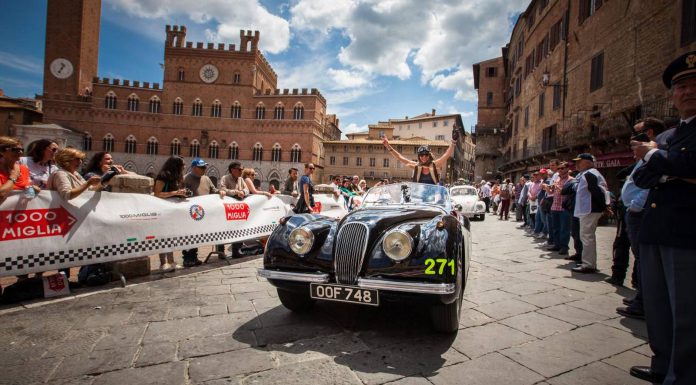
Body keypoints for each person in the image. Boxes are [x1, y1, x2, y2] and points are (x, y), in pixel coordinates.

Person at [628, 52, 696, 385]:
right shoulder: (672, 136)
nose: (688, 91)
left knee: (686, 312)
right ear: (672, 94)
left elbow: (687, 167)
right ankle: (662, 364)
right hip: (656, 230)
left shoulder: (663, 143)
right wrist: (667, 166)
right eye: (681, 86)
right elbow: (641, 178)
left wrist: (656, 157)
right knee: (658, 306)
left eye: (695, 84)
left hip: (686, 232)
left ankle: (681, 376)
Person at [570, 153, 610, 274]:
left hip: (589, 209)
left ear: (588, 162)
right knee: (587, 237)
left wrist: (604, 206)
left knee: (586, 237)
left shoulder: (589, 174)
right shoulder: (592, 174)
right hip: (589, 209)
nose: (577, 165)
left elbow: (596, 191)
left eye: (579, 161)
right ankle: (588, 262)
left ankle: (588, 264)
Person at [181, 158, 225, 267]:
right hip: (190, 213)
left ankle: (194, 257)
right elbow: (181, 194)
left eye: (204, 167)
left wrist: (220, 192)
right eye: (202, 167)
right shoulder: (185, 179)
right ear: (194, 168)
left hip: (203, 213)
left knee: (196, 236)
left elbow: (213, 190)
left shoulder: (206, 179)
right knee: (189, 236)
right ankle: (187, 259)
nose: (204, 169)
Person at [153, 156, 188, 271]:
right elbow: (157, 194)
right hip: (162, 209)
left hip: (172, 210)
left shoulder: (176, 177)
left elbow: (172, 193)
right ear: (176, 165)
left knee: (171, 236)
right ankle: (163, 263)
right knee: (163, 236)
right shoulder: (163, 175)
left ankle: (172, 261)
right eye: (182, 164)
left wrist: (181, 194)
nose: (184, 166)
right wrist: (176, 192)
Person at [382, 136, 456, 185]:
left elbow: (446, 155)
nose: (424, 157)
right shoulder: (416, 165)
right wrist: (388, 146)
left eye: (426, 155)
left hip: (433, 197)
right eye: (421, 155)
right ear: (419, 156)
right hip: (418, 197)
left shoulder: (434, 165)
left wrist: (453, 142)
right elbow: (400, 157)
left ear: (429, 156)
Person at [549, 162, 573, 255]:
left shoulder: (571, 180)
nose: (560, 170)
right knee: (555, 228)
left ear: (567, 169)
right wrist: (548, 188)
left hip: (564, 207)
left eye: (562, 168)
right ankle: (557, 245)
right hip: (555, 206)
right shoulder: (557, 179)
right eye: (559, 168)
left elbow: (566, 192)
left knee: (564, 228)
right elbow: (552, 192)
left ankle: (564, 247)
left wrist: (557, 187)